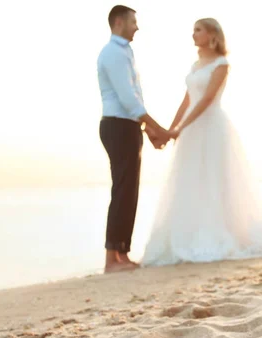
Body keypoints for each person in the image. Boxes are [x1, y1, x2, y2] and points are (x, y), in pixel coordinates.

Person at [140, 18, 262, 267]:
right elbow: (187, 101)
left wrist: (179, 129)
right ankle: (187, 234)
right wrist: (171, 130)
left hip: (212, 127)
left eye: (198, 30)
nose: (193, 34)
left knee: (215, 180)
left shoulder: (222, 64)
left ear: (212, 34)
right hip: (191, 128)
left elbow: (206, 99)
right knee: (190, 180)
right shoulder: (195, 65)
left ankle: (218, 234)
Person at [97, 5, 173, 273]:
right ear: (119, 22)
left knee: (129, 191)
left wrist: (148, 130)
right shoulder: (112, 53)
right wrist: (159, 128)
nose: (137, 27)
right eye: (133, 22)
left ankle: (121, 255)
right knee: (122, 190)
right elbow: (128, 100)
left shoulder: (125, 52)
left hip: (127, 126)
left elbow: (134, 97)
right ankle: (111, 259)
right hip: (117, 126)